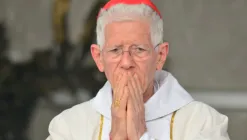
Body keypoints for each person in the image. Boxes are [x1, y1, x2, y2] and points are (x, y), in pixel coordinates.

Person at [46, 0, 230, 139]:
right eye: (115, 50)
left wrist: (141, 135)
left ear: (160, 56)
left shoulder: (202, 123)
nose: (126, 63)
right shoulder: (68, 127)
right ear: (99, 58)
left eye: (139, 50)